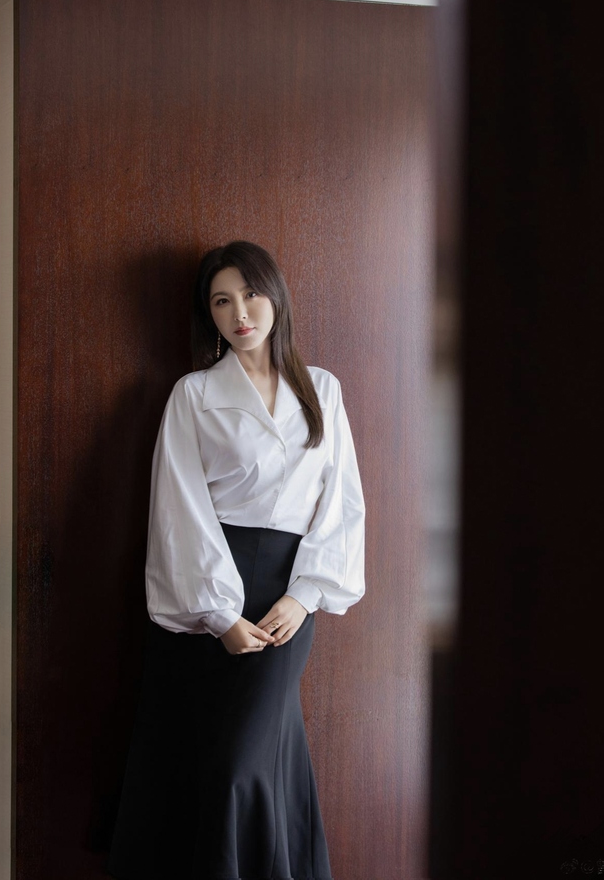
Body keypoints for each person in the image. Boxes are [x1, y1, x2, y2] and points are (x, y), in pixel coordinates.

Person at [107, 241, 366, 880]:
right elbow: (178, 508)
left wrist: (304, 595)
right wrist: (218, 616)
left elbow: (341, 502)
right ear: (210, 314)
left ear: (275, 296)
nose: (239, 313)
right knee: (218, 759)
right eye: (221, 301)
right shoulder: (194, 394)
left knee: (242, 761)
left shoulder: (322, 389)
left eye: (250, 295)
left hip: (288, 591)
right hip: (208, 589)